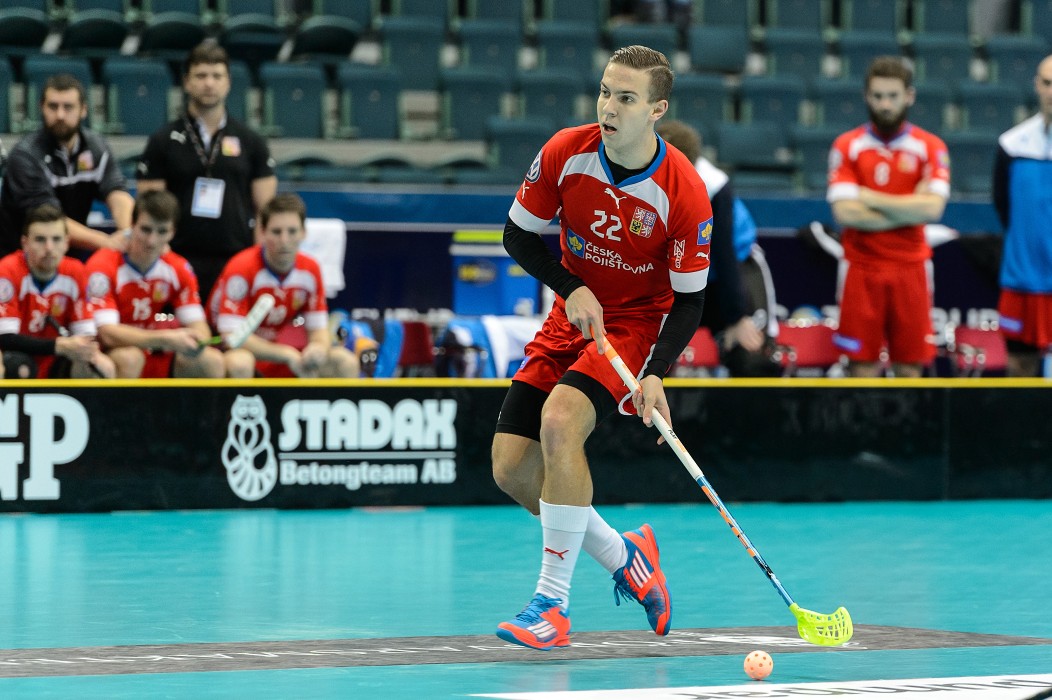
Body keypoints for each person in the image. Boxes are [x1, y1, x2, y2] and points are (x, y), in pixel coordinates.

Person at [492, 45, 712, 650]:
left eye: (626, 98)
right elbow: (518, 235)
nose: (609, 107)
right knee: (512, 470)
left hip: (635, 327)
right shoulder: (567, 151)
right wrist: (572, 286)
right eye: (605, 92)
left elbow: (690, 300)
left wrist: (658, 374)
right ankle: (627, 556)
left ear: (657, 110)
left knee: (561, 424)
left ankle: (551, 607)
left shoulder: (685, 192)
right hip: (572, 314)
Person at [827, 56, 950, 378]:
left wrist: (868, 196)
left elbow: (933, 209)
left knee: (910, 368)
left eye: (893, 96)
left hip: (911, 268)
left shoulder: (931, 147)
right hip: (861, 268)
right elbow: (844, 212)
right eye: (878, 96)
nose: (885, 104)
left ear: (909, 96)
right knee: (860, 368)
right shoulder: (846, 146)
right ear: (867, 96)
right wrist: (909, 206)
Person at [136, 41, 277, 301]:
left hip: (235, 259)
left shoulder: (251, 141)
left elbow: (266, 212)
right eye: (201, 76)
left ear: (229, 82)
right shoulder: (163, 140)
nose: (209, 83)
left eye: (216, 76)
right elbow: (150, 209)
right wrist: (163, 256)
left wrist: (255, 262)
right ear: (187, 82)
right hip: (176, 258)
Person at [656, 119, 780, 376]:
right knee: (653, 358)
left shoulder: (713, 185)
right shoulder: (642, 181)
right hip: (679, 275)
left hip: (735, 269)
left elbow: (724, 255)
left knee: (751, 357)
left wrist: (736, 317)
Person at [208, 193, 360, 378]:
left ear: (304, 232)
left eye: (292, 231)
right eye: (276, 232)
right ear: (262, 232)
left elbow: (318, 329)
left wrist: (318, 349)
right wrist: (286, 354)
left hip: (275, 352)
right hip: (226, 351)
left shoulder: (310, 270)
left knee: (344, 362)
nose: (284, 241)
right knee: (240, 362)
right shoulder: (241, 267)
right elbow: (232, 339)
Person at [85, 190, 225, 379]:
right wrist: (165, 339)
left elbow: (198, 325)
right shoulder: (103, 265)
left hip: (157, 350)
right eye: (146, 229)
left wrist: (197, 339)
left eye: (162, 232)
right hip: (113, 352)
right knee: (130, 357)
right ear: (132, 225)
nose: (152, 241)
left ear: (173, 233)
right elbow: (107, 334)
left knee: (211, 359)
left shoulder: (178, 267)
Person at [0, 74, 134, 258]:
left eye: (68, 107)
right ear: (41, 108)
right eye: (53, 107)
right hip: (21, 258)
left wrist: (129, 234)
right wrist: (108, 242)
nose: (60, 115)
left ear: (83, 110)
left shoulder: (96, 148)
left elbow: (117, 192)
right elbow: (49, 219)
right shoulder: (25, 155)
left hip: (70, 256)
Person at [0, 204, 116, 379]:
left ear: (66, 243)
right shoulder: (8, 270)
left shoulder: (75, 271)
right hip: (15, 357)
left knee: (101, 366)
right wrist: (59, 345)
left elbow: (86, 335)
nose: (49, 248)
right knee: (20, 366)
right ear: (25, 243)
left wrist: (80, 348)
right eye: (40, 239)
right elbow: (6, 339)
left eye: (56, 239)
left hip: (58, 359)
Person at [992, 54, 1052, 377]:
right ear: (1036, 86)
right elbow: (1003, 206)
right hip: (1022, 283)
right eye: (1047, 83)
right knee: (1019, 368)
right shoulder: (1011, 146)